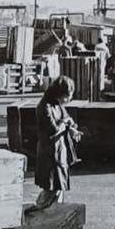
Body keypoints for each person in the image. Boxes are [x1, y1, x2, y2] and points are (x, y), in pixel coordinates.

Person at [32, 76, 82, 210]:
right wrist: (66, 124)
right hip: (49, 153)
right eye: (67, 96)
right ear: (59, 93)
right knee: (51, 188)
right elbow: (52, 130)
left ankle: (55, 215)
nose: (68, 99)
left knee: (59, 187)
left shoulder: (57, 104)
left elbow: (68, 119)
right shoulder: (44, 106)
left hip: (60, 152)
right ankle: (39, 210)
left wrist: (71, 128)